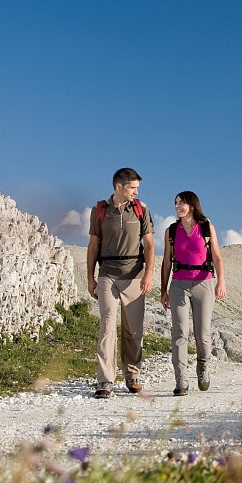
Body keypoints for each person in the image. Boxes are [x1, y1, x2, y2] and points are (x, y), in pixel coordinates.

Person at [88, 168, 155, 399]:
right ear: (119, 187)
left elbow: (149, 245)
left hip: (135, 276)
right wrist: (90, 278)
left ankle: (132, 375)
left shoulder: (141, 210)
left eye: (137, 188)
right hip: (107, 275)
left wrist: (148, 275)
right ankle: (105, 381)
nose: (136, 192)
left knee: (133, 331)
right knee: (107, 327)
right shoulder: (99, 211)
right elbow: (93, 246)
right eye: (133, 188)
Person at [160, 191, 226, 396]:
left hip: (204, 283)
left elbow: (216, 255)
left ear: (192, 205)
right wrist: (163, 289)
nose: (177, 206)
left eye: (181, 203)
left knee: (202, 334)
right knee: (179, 332)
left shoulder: (206, 227)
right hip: (179, 284)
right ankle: (181, 380)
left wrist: (220, 282)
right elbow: (166, 262)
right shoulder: (171, 231)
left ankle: (203, 367)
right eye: (175, 203)